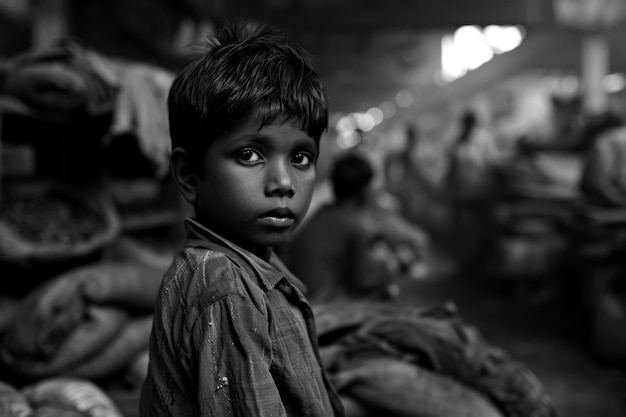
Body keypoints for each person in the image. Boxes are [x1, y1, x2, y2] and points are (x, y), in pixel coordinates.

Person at [139, 20, 344, 417]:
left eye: (301, 157)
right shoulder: (226, 287)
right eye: (250, 154)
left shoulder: (255, 265)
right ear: (188, 174)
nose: (283, 182)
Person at [285, 152, 429, 304]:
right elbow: (366, 280)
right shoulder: (356, 225)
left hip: (302, 297)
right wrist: (395, 266)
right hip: (323, 305)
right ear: (363, 190)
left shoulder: (324, 211)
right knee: (389, 292)